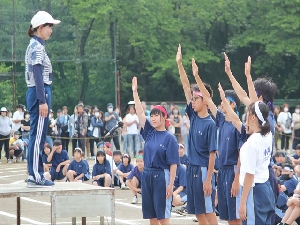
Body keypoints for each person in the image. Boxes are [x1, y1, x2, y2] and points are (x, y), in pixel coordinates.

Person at [192, 58, 244, 225]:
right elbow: (207, 98)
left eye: (225, 102)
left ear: (234, 104)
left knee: (236, 217)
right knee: (228, 216)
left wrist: (237, 179)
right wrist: (197, 76)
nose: (222, 104)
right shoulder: (221, 120)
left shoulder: (238, 126)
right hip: (222, 171)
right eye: (221, 101)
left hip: (233, 170)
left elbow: (240, 155)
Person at [218, 84, 275, 224]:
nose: (245, 120)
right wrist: (224, 100)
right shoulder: (267, 133)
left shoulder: (251, 143)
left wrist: (242, 203)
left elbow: (249, 175)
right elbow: (236, 119)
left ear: (254, 117)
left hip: (254, 190)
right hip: (265, 188)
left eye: (247, 116)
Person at [177, 45, 218, 225]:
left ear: (206, 101)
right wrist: (179, 63)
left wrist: (208, 179)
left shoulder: (210, 124)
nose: (192, 101)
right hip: (191, 168)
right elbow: (186, 86)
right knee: (198, 213)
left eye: (196, 99)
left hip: (203, 171)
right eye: (192, 99)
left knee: (208, 212)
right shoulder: (193, 116)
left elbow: (212, 154)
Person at [132, 76, 179, 225]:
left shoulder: (169, 138)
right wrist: (135, 92)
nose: (152, 118)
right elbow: (140, 112)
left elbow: (173, 164)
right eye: (151, 116)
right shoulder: (150, 132)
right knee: (151, 215)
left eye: (156, 115)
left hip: (161, 176)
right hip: (147, 174)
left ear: (164, 117)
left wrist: (171, 184)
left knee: (163, 217)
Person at [25, 11, 60, 187]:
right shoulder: (37, 47)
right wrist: (42, 100)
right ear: (40, 27)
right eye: (49, 27)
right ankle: (36, 175)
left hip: (38, 91)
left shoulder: (36, 45)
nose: (51, 31)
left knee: (36, 136)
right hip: (40, 91)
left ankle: (33, 173)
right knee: (38, 136)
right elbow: (38, 74)